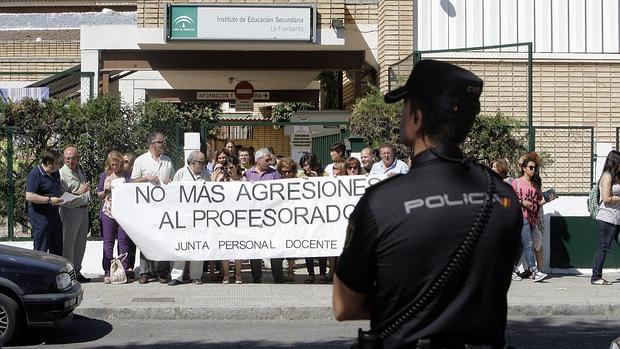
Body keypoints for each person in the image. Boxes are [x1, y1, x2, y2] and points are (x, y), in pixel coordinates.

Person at [333, 60, 522, 348]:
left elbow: (344, 305)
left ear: (417, 118)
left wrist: (401, 303)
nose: (401, 115)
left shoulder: (382, 201)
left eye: (405, 106)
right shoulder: (505, 197)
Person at [131, 132, 175, 284]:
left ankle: (162, 272)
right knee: (145, 238)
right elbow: (132, 182)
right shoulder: (140, 161)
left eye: (163, 142)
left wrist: (170, 180)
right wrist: (146, 178)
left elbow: (174, 181)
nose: (164, 144)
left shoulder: (168, 161)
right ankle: (145, 272)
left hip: (164, 208)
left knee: (163, 239)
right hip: (146, 208)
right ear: (153, 144)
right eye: (161, 142)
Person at [168, 150, 210, 286]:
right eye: (202, 162)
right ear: (192, 163)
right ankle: (176, 276)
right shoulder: (181, 173)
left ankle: (196, 276)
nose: (204, 165)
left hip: (200, 217)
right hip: (183, 216)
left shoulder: (206, 175)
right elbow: (172, 194)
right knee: (181, 246)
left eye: (205, 162)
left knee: (198, 246)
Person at [244, 148, 284, 283]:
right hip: (254, 217)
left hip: (272, 217)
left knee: (275, 247)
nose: (269, 162)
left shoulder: (275, 174)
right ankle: (256, 277)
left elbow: (281, 192)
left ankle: (278, 276)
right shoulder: (248, 174)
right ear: (258, 160)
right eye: (266, 160)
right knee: (255, 247)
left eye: (270, 160)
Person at [511, 154, 549, 282]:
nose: (533, 170)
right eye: (531, 167)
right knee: (528, 244)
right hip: (521, 217)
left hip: (533, 218)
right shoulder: (516, 182)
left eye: (535, 168)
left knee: (521, 246)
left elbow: (537, 203)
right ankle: (534, 270)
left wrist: (547, 199)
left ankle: (511, 269)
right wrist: (522, 203)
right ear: (524, 168)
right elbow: (509, 199)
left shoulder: (534, 185)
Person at [97, 150, 132, 284]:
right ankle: (107, 271)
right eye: (112, 165)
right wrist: (105, 190)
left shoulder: (127, 175)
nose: (114, 167)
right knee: (108, 242)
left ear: (121, 164)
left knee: (123, 242)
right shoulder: (105, 175)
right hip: (108, 212)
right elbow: (99, 193)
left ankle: (122, 270)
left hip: (123, 212)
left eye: (116, 165)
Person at [58, 146, 92, 283]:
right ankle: (68, 274)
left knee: (80, 244)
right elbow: (62, 198)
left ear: (78, 158)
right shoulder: (61, 174)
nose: (70, 161)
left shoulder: (80, 169)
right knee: (68, 244)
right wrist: (80, 191)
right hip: (70, 211)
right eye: (67, 159)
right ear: (64, 159)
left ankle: (77, 271)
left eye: (73, 158)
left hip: (83, 210)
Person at [25, 150, 65, 255]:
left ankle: (56, 271)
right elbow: (29, 196)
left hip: (54, 215)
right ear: (49, 163)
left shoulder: (55, 173)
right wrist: (49, 200)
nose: (59, 165)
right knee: (41, 248)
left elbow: (56, 190)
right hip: (40, 217)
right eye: (57, 163)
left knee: (57, 247)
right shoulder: (36, 173)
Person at [298, 152, 328, 283]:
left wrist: (318, 180)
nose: (306, 168)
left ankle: (322, 273)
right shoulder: (300, 175)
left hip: (321, 216)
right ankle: (310, 273)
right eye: (304, 166)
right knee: (308, 247)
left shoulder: (325, 175)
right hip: (306, 217)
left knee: (321, 247)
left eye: (308, 165)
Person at [591, 150, 620, 285]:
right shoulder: (607, 176)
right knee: (603, 246)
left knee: (604, 246)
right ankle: (596, 277)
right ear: (614, 162)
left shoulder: (616, 177)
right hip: (607, 218)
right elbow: (607, 198)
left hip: (617, 218)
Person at [219, 156, 245, 284]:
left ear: (237, 166)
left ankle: (238, 275)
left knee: (238, 248)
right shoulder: (223, 180)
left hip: (240, 219)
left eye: (231, 167)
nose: (229, 170)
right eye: (226, 168)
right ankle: (226, 275)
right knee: (225, 249)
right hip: (225, 219)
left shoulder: (244, 180)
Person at [276, 157, 299, 282]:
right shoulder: (276, 182)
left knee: (292, 245)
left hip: (294, 218)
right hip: (279, 219)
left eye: (289, 171)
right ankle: (281, 271)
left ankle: (290, 271)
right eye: (283, 171)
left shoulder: (298, 180)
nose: (286, 174)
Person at [123, 151, 138, 272]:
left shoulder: (136, 177)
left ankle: (130, 267)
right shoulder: (120, 176)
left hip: (134, 212)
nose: (124, 164)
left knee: (132, 242)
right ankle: (123, 265)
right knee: (123, 241)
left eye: (127, 162)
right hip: (123, 212)